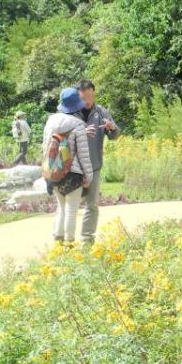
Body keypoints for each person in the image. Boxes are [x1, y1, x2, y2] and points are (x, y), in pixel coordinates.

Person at [44, 88, 94, 243]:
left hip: (55, 172)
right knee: (71, 210)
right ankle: (69, 243)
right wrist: (89, 175)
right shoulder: (78, 125)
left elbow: (45, 147)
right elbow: (83, 154)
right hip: (73, 173)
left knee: (61, 207)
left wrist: (48, 174)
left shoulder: (50, 121)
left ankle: (57, 240)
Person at [76, 79, 120, 242]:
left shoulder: (101, 112)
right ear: (78, 96)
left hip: (94, 166)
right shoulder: (71, 113)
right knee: (70, 206)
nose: (88, 101)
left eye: (91, 96)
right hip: (74, 168)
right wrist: (82, 132)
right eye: (84, 97)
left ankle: (87, 239)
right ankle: (66, 239)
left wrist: (112, 128)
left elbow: (115, 135)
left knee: (92, 205)